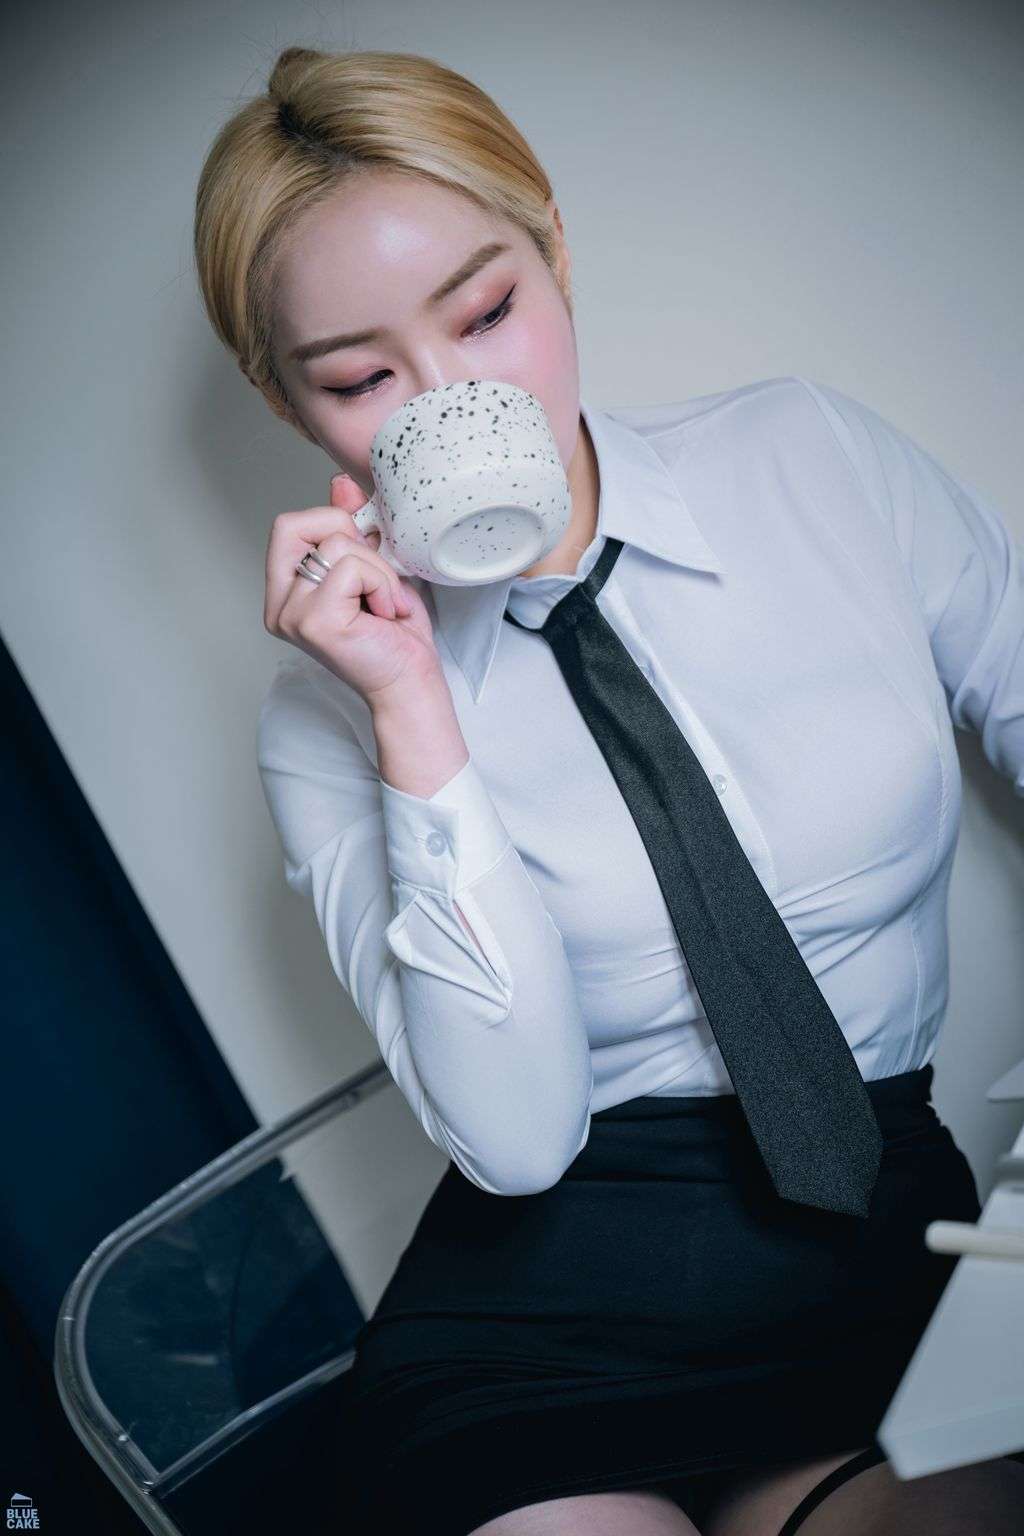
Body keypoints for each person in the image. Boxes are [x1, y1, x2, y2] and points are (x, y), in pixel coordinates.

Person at [193, 44, 1024, 1536]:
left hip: (874, 1246)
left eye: (487, 312)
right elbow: (515, 1142)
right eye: (363, 379)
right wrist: (410, 707)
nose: (453, 394)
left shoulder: (809, 458)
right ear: (287, 402)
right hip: (539, 1331)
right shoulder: (324, 717)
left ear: (557, 252)